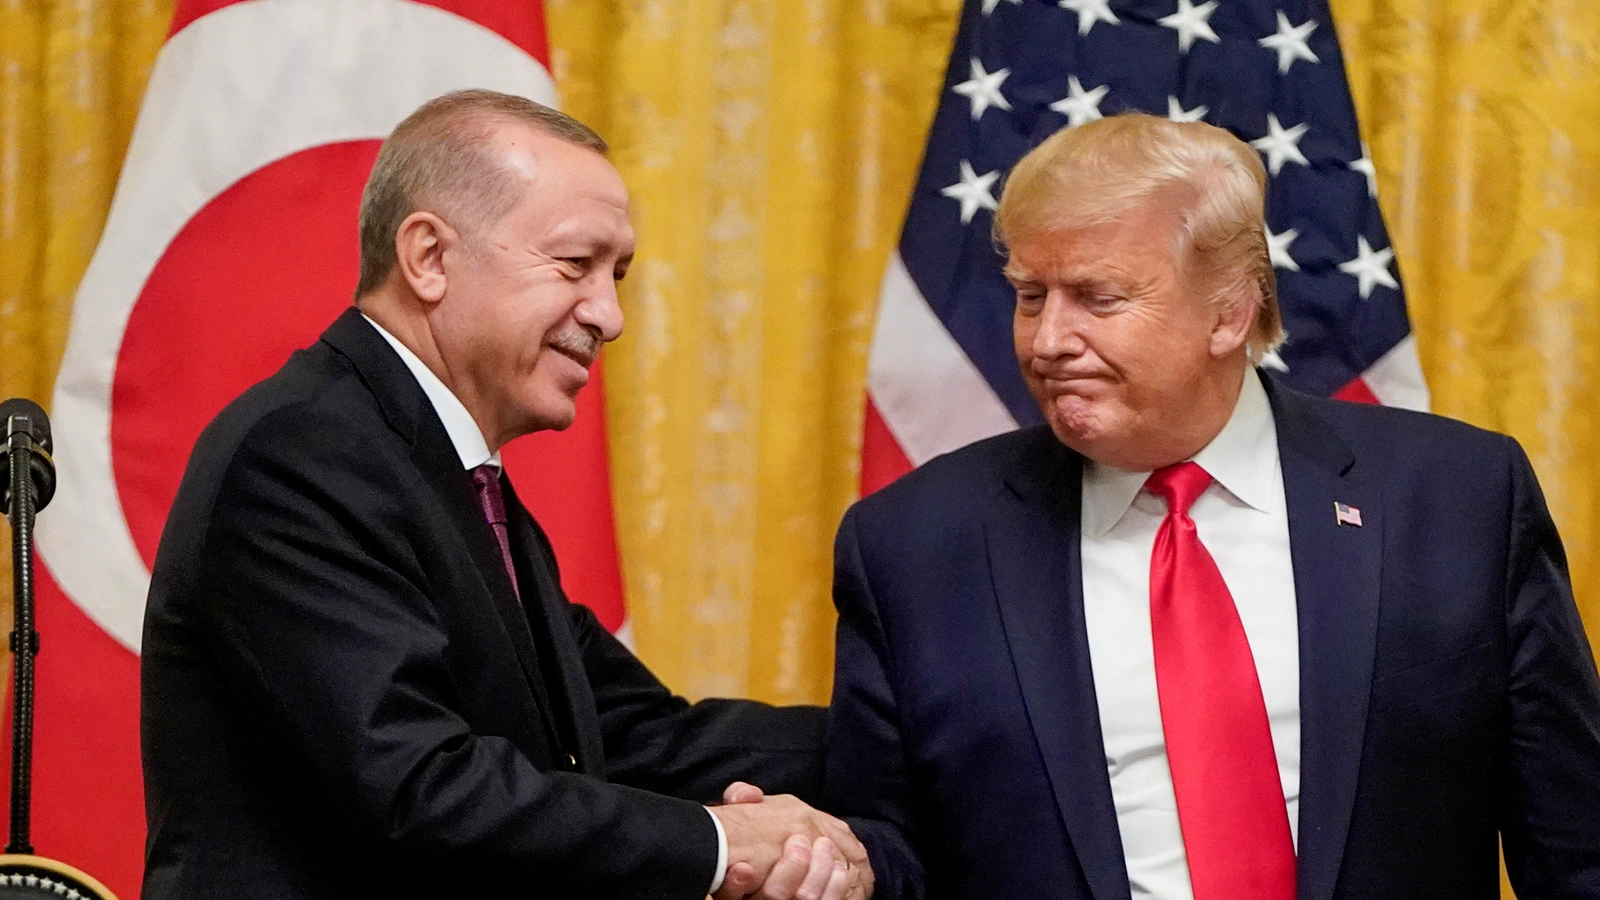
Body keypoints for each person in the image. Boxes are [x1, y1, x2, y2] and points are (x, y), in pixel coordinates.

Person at [823, 113, 1600, 900]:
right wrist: (823, 861)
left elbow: (1575, 843)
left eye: (1098, 297)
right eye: (1030, 295)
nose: (1048, 339)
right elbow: (891, 851)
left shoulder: (1457, 497)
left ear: (1228, 313)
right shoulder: (914, 545)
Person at [141, 89, 871, 900]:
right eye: (575, 264)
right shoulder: (301, 455)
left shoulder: (448, 477)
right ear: (428, 257)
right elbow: (416, 789)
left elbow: (633, 734)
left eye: (617, 274)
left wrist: (926, 741)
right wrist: (722, 840)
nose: (610, 314)